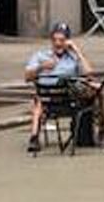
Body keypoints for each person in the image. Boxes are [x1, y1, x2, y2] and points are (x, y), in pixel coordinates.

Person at [23, 23, 95, 153]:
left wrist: (77, 50)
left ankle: (101, 131)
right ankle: (34, 138)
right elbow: (27, 77)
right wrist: (41, 67)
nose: (58, 44)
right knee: (39, 99)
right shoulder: (41, 55)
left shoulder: (72, 58)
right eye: (55, 40)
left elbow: (89, 73)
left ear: (67, 41)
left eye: (61, 40)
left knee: (98, 91)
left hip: (69, 97)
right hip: (48, 97)